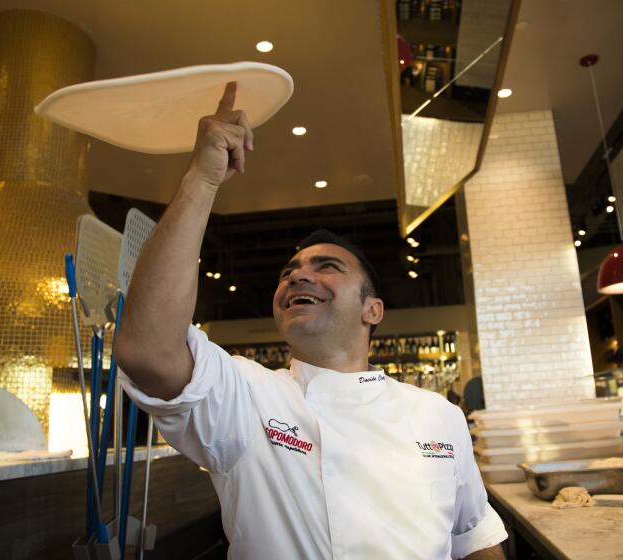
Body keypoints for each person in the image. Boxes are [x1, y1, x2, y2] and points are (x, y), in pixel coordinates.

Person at [114, 82, 507, 559]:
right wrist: (202, 179)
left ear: (372, 310)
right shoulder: (248, 395)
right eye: (289, 272)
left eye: (327, 267)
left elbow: (475, 538)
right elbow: (145, 350)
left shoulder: (440, 416)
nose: (299, 274)